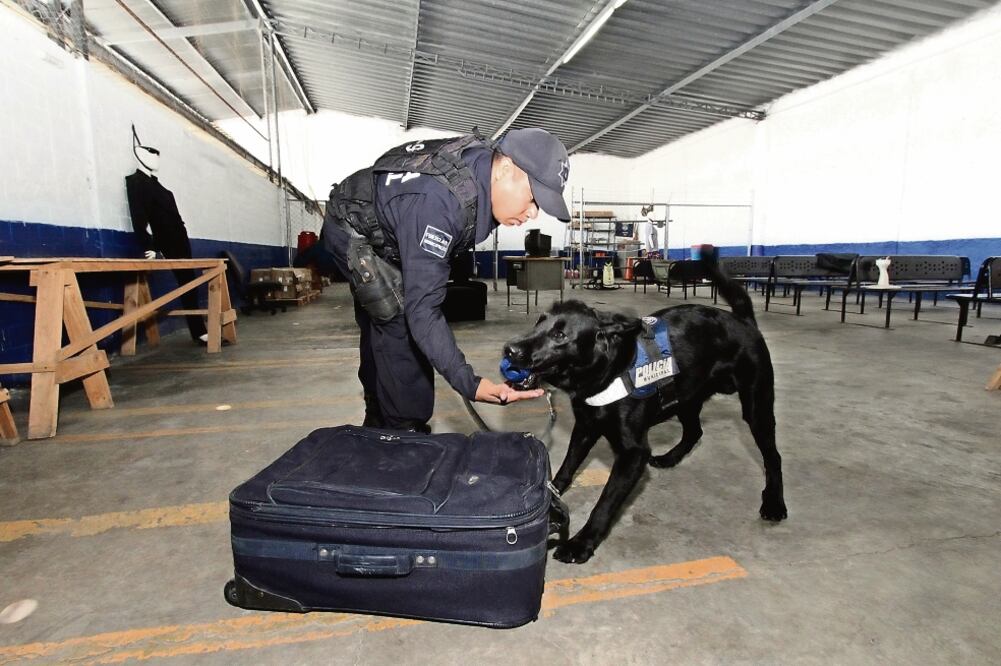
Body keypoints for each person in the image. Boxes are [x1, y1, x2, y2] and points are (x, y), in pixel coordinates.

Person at [321, 128, 572, 432]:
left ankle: (379, 414)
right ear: (506, 169)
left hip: (392, 228)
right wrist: (470, 383)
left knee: (381, 321)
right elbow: (423, 311)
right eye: (532, 198)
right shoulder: (440, 203)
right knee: (397, 317)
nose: (533, 213)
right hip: (350, 226)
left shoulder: (482, 177)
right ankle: (403, 431)